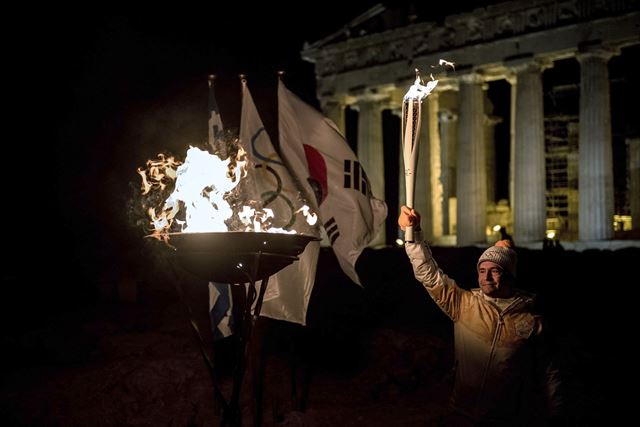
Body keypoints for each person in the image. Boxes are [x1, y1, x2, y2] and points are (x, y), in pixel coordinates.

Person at [398, 206, 562, 426]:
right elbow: (429, 275)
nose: (486, 277)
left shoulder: (532, 322)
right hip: (461, 414)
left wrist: (553, 415)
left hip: (506, 418)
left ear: (510, 276)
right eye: (482, 271)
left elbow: (547, 374)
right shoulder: (464, 305)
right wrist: (413, 234)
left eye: (495, 271)